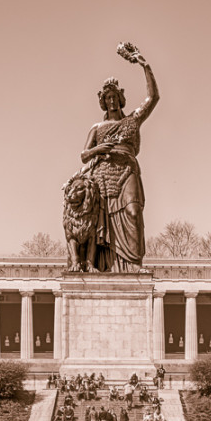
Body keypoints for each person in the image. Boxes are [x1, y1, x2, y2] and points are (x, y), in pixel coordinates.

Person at [72, 47, 157, 272]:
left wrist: (145, 66)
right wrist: (99, 149)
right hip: (103, 176)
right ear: (103, 101)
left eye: (114, 97)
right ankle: (105, 267)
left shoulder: (132, 120)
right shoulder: (97, 127)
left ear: (120, 98)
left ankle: (133, 265)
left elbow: (153, 98)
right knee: (103, 223)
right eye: (107, 97)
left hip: (127, 171)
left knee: (133, 212)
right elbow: (83, 155)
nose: (111, 101)